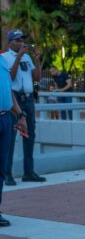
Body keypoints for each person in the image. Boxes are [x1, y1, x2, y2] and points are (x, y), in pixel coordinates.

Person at [2, 29, 45, 184]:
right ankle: (8, 174)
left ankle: (29, 172)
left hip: (28, 99)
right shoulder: (4, 58)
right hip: (15, 100)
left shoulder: (27, 57)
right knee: (11, 136)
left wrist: (37, 59)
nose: (21, 43)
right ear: (10, 42)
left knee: (30, 134)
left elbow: (37, 78)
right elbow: (10, 78)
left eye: (22, 40)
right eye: (17, 41)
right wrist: (18, 57)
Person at [0, 55, 30, 225]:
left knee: (1, 167)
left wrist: (20, 115)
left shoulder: (2, 61)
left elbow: (8, 90)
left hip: (5, 118)